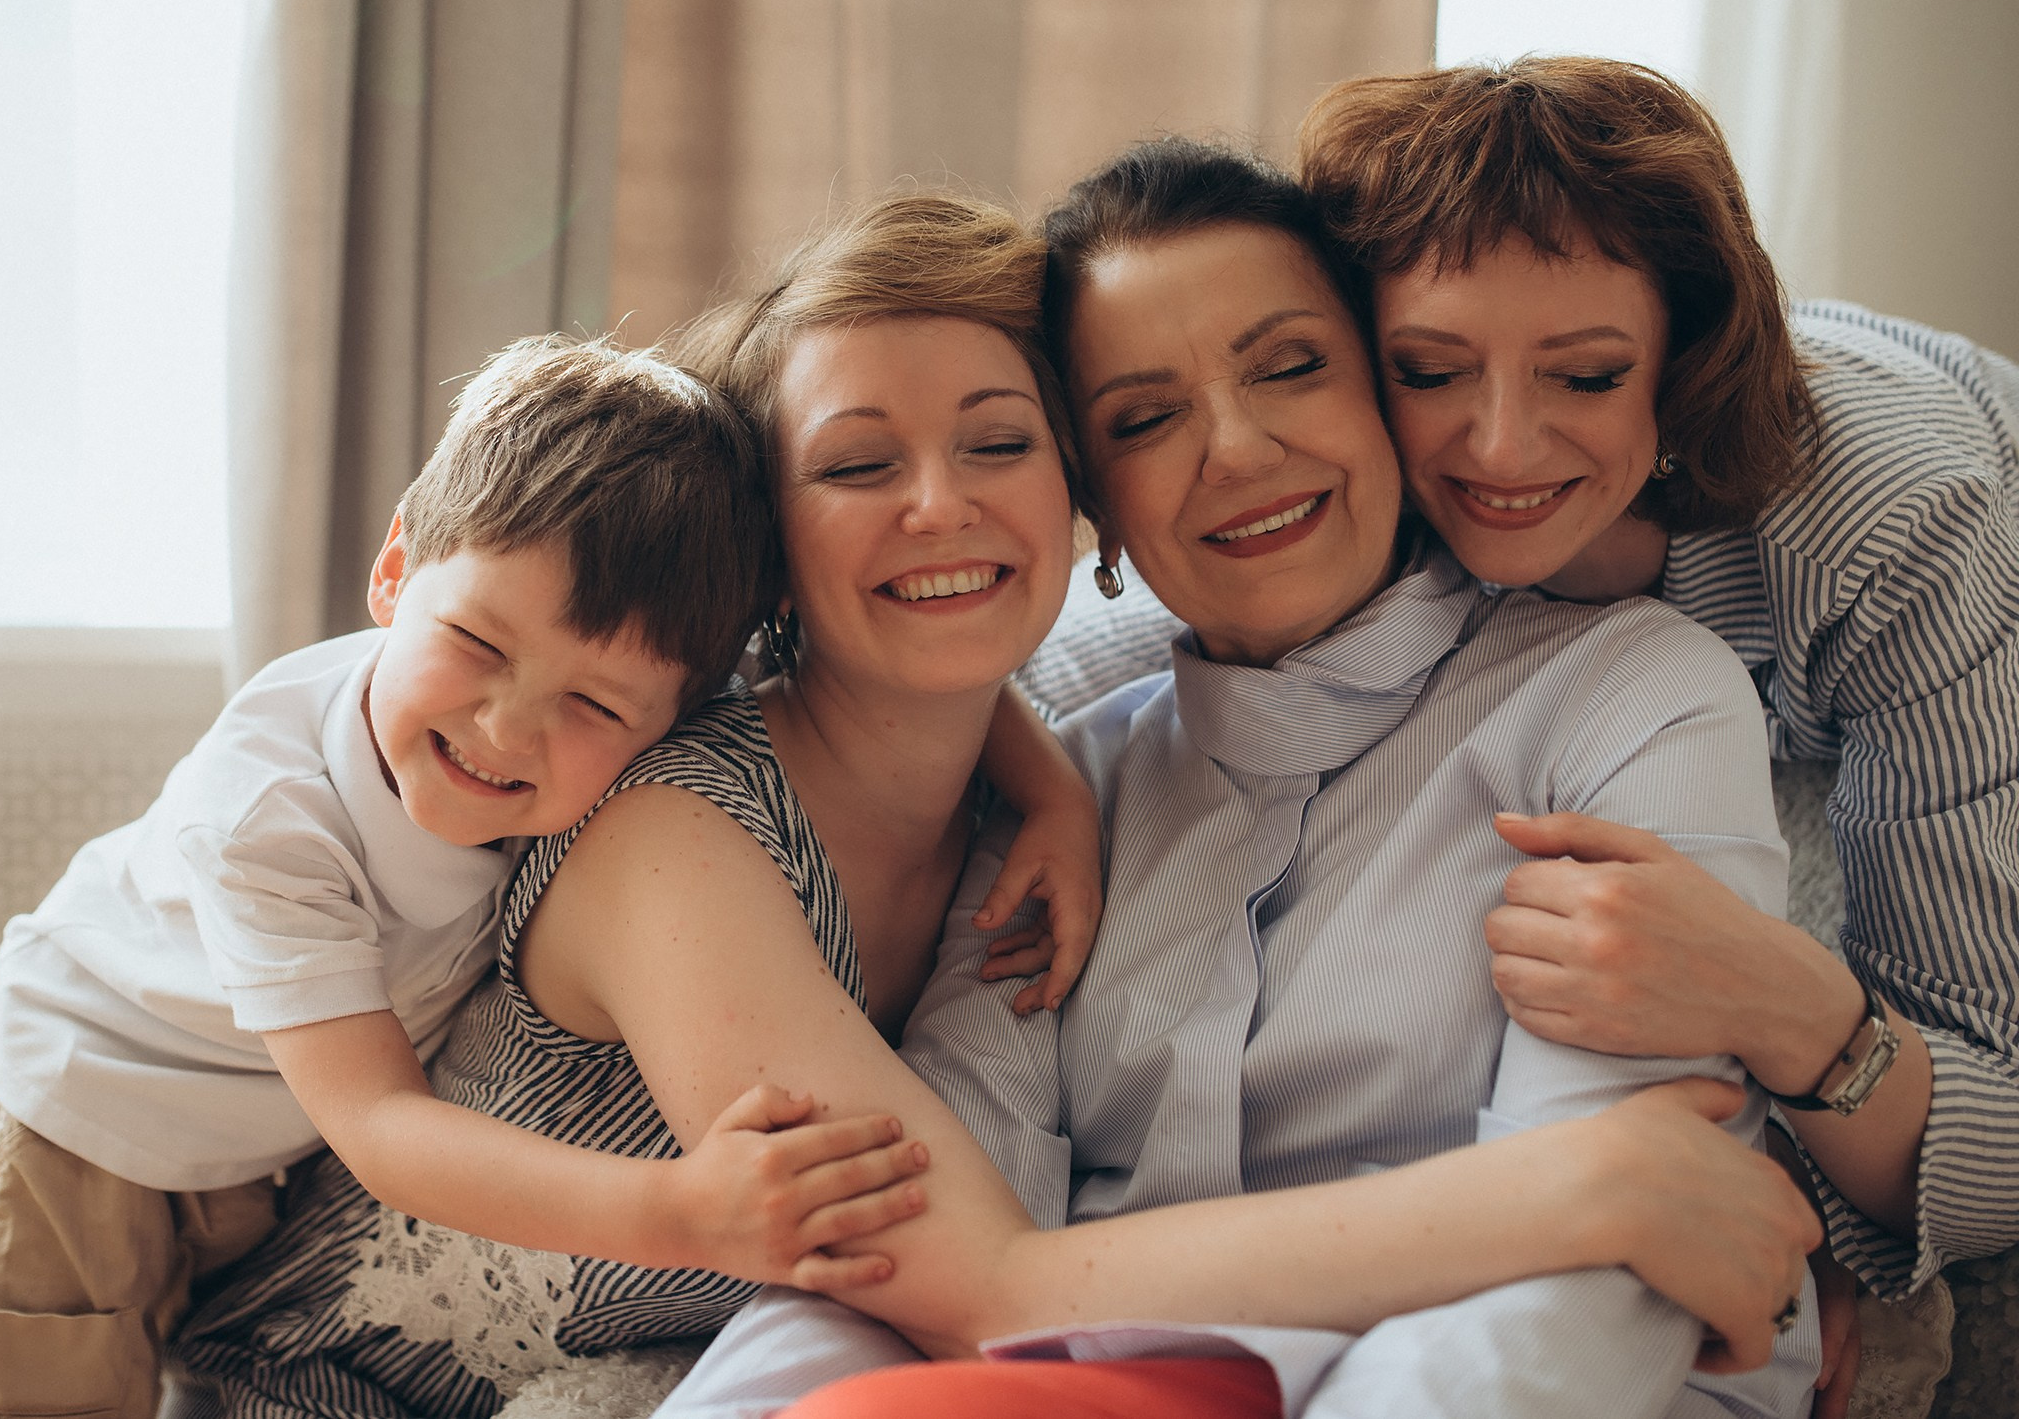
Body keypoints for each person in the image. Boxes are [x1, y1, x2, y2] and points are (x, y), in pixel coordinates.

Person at [173, 190, 1818, 1419]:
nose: (941, 504)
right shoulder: (679, 834)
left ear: (1075, 498)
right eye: (856, 462)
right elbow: (985, 1282)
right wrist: (1574, 1189)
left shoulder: (1042, 803)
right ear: (768, 538)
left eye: (999, 440)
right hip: (382, 1387)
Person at [657, 144, 1827, 1419]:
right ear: (1090, 498)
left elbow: (1621, 1251)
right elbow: (911, 1237)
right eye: (1144, 418)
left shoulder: (1633, 694)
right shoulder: (1068, 789)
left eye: (1290, 367)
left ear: (1387, 391)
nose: (1237, 449)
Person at [1043, 59, 2019, 1310]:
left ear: (1676, 363)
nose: (1498, 446)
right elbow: (1044, 663)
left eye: (1588, 374)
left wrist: (1788, 1024)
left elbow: (1988, 1124)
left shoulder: (1897, 523)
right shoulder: (1336, 473)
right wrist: (1038, 790)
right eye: (1431, 370)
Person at [0, 338, 948, 1419]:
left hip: (256, 1143)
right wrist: (681, 1210)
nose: (504, 729)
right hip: (80, 1111)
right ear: (395, 567)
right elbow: (381, 1125)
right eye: (475, 644)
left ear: (677, 717)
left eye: (593, 706)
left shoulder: (660, 749)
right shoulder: (269, 816)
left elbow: (852, 684)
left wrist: (1052, 795)